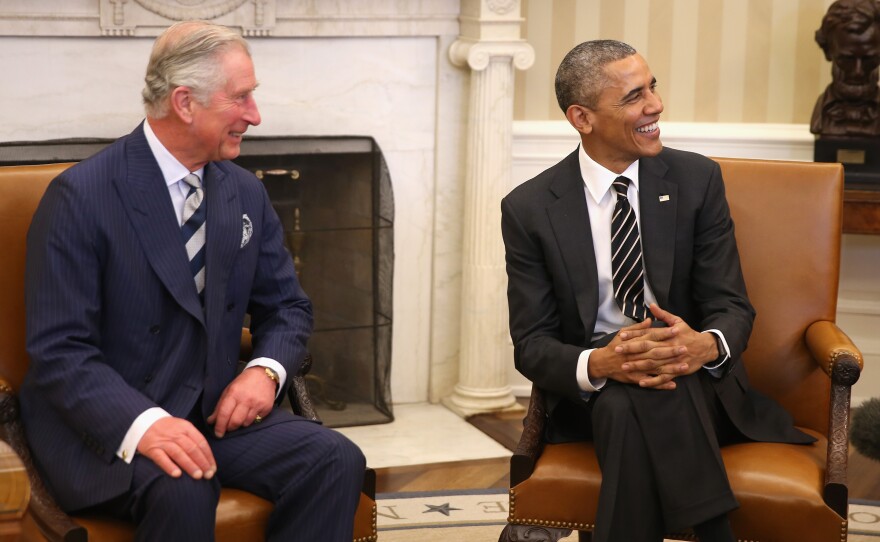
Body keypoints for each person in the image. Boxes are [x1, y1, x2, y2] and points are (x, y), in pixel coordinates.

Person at [20, 20, 365, 541]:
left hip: (210, 414)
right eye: (241, 98)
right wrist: (146, 425)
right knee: (184, 482)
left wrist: (266, 372)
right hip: (107, 426)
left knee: (335, 458)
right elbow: (60, 350)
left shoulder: (244, 192)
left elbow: (288, 308)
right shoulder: (82, 197)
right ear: (185, 103)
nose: (255, 115)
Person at [501, 40, 814, 542]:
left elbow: (731, 306)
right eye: (632, 97)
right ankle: (715, 530)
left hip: (694, 378)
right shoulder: (530, 208)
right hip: (594, 391)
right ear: (582, 117)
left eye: (652, 87)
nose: (655, 106)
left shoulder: (696, 180)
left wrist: (702, 345)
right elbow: (532, 343)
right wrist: (601, 364)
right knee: (627, 396)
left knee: (646, 393)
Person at [811, 0, 880, 136]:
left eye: (869, 59)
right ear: (828, 51)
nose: (858, 71)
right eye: (847, 59)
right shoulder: (821, 114)